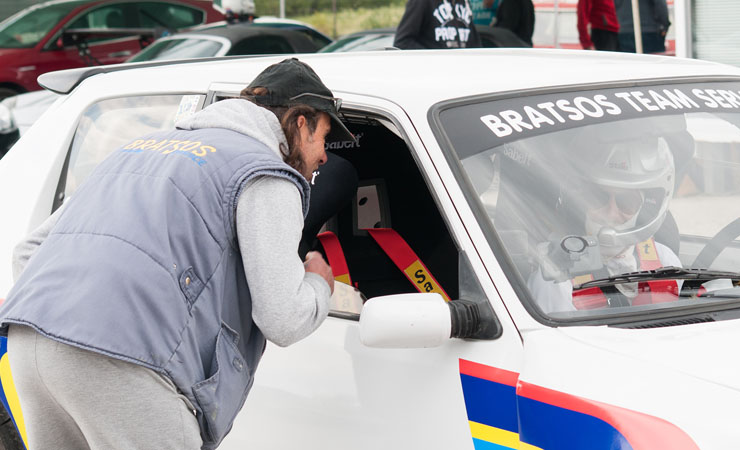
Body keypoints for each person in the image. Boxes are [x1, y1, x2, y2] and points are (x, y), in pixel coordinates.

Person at [0, 57, 354, 450]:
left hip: (32, 342)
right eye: (323, 138)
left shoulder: (137, 149)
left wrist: (74, 312)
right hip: (124, 359)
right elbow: (283, 319)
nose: (324, 156)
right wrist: (318, 283)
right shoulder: (266, 172)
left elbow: (29, 250)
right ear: (300, 122)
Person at [526, 133, 682, 313]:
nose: (611, 213)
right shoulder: (555, 277)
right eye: (597, 198)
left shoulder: (663, 260)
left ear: (644, 209)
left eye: (626, 202)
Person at [394, 0, 482, 49]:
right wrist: (433, 58)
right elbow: (403, 41)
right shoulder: (421, 2)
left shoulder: (463, 3)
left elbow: (475, 44)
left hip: (462, 74)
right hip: (433, 76)